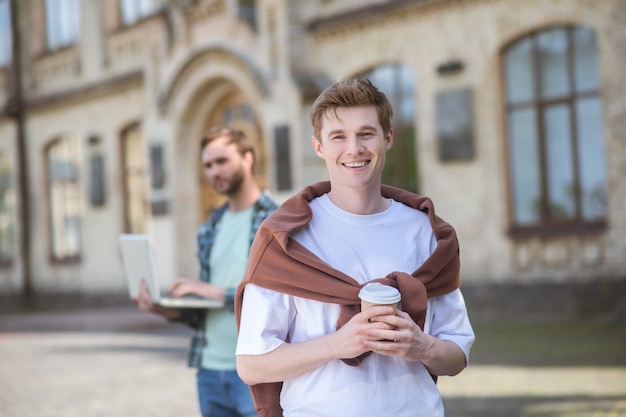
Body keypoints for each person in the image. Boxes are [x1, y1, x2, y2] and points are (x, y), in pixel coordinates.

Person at [234, 79, 475, 417]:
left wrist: (423, 346)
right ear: (318, 146)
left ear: (387, 138)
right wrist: (336, 344)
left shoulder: (427, 232)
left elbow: (457, 356)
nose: (354, 148)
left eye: (366, 134)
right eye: (338, 137)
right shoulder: (286, 238)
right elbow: (251, 364)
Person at [133, 127, 278, 417]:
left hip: (255, 370)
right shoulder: (210, 227)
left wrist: (210, 291)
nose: (214, 171)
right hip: (209, 370)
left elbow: (277, 297)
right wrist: (166, 309)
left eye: (222, 161)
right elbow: (206, 308)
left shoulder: (274, 220)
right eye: (208, 165)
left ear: (248, 159)